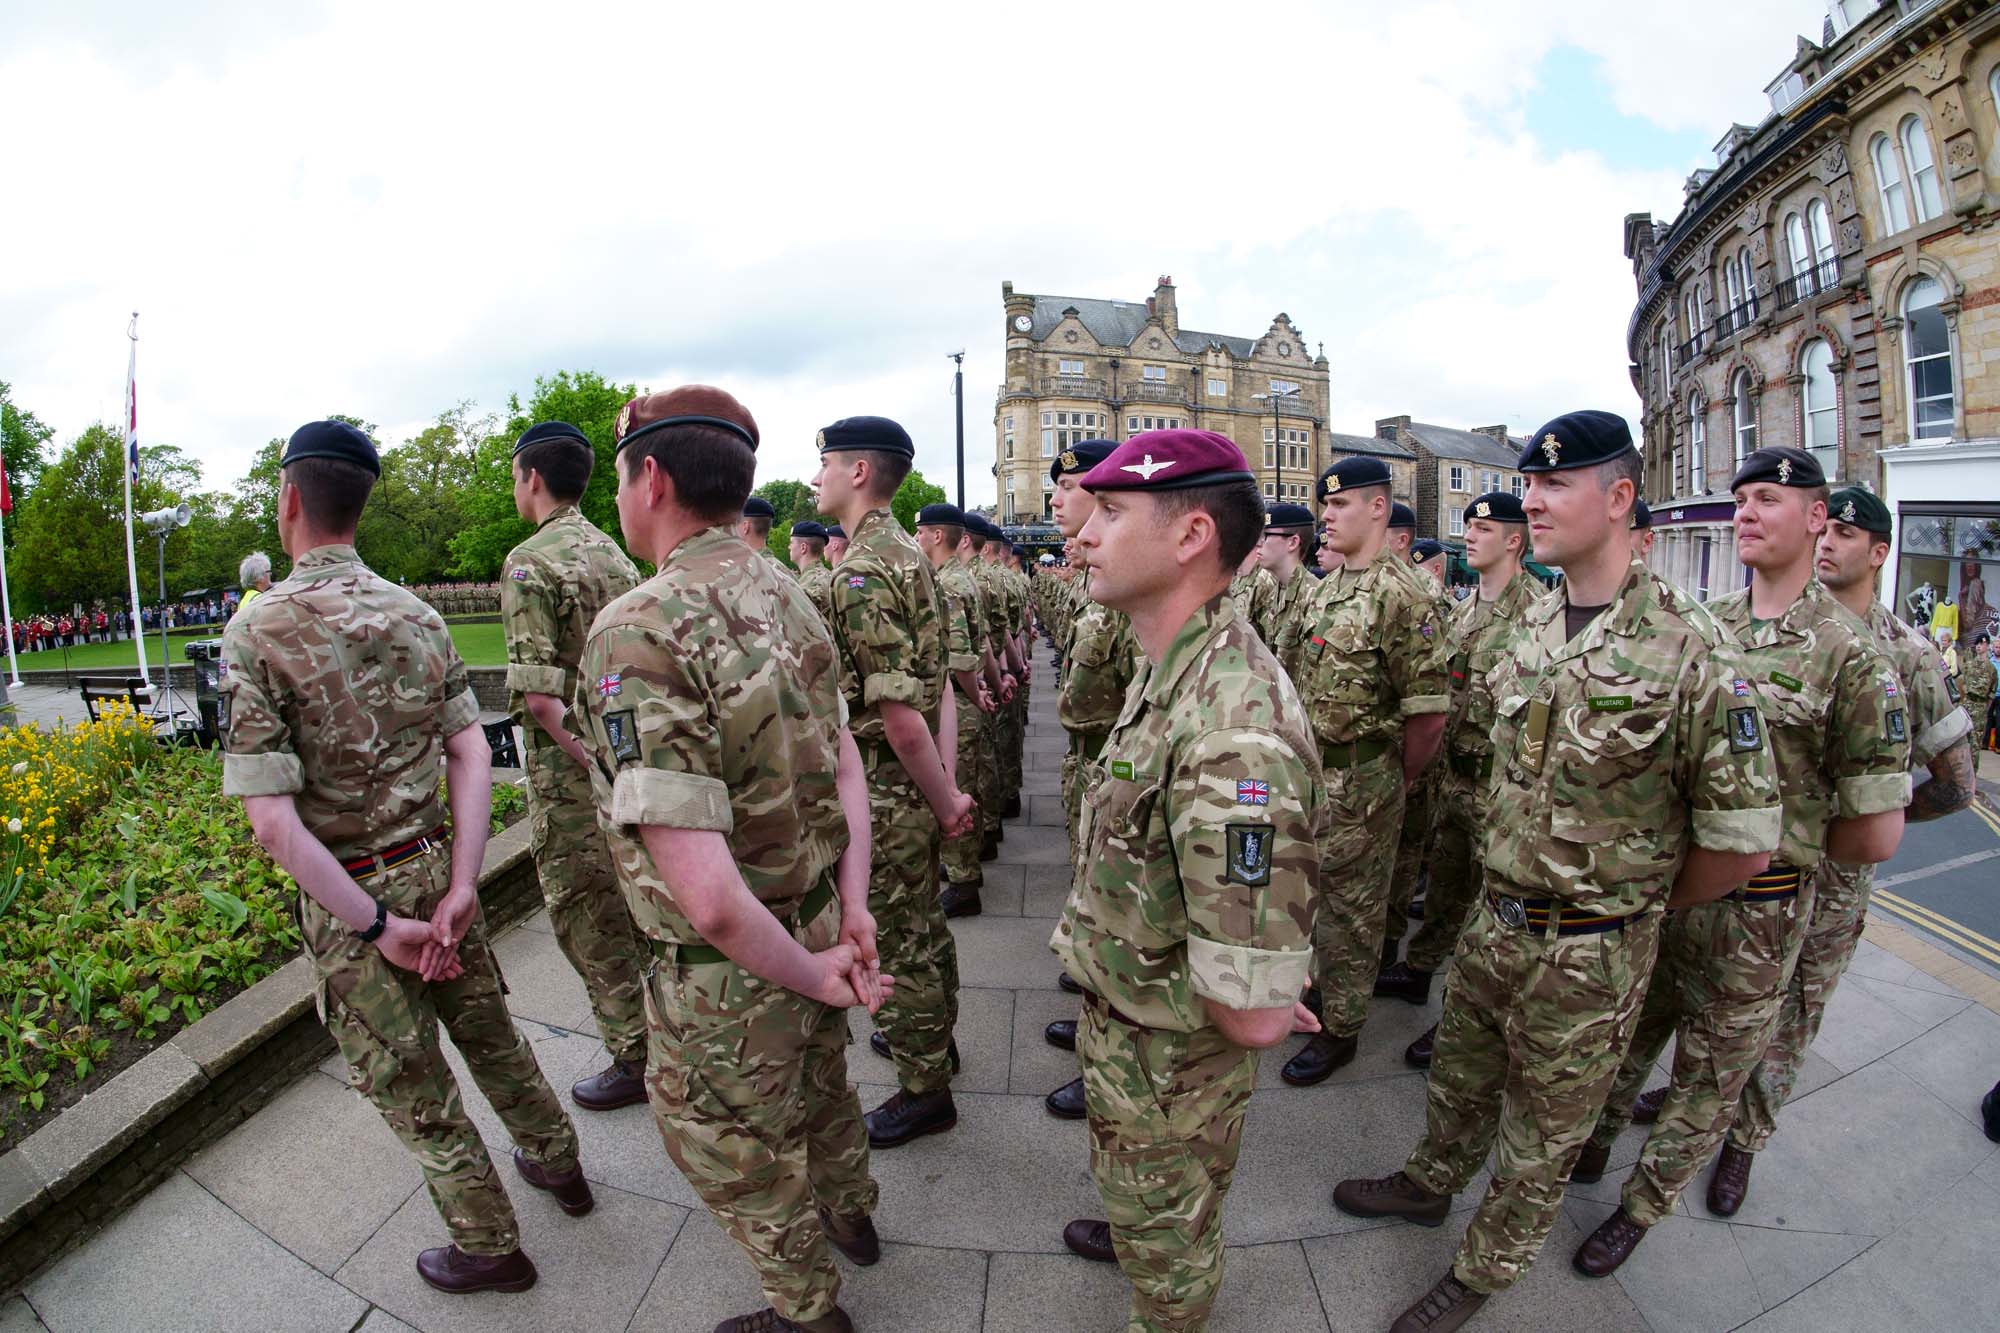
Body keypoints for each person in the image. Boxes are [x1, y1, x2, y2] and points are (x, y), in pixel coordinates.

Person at [1333, 410, 1782, 1333]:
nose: (1531, 497)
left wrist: (1631, 907)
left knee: (1542, 1137)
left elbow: (1743, 840)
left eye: (1555, 483)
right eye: (1529, 483)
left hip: (1593, 949)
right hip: (1495, 922)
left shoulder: (1691, 643)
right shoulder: (1532, 617)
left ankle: (1480, 1272)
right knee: (1459, 1078)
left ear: (1618, 499)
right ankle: (1427, 1182)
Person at [223, 420, 588, 1295]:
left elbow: (272, 822)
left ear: (290, 502)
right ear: (360, 504)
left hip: (355, 898)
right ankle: (559, 1163)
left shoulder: (259, 628)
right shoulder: (415, 613)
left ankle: (489, 1241)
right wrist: (463, 882)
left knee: (412, 1083)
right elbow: (472, 753)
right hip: (436, 866)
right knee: (491, 1033)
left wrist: (380, 925)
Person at [576, 386, 883, 1333]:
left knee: (725, 1146)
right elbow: (848, 764)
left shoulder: (639, 625)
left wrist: (812, 974)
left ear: (651, 476)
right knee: (825, 1087)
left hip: (728, 972)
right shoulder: (789, 590)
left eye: (620, 477)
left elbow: (707, 900)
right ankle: (854, 1214)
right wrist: (852, 913)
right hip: (815, 916)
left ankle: (806, 1311)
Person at [1570, 446, 1909, 1275]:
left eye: (1768, 498)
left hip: (1763, 913)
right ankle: (1593, 1143)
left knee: (1709, 1075)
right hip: (1679, 889)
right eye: (1741, 498)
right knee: (1631, 1031)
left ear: (1818, 518)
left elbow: (1874, 834)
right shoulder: (1708, 625)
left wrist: (1776, 855)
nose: (1747, 512)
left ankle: (1639, 1207)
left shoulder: (1853, 657)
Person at [1051, 427, 1324, 1331]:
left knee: (1171, 1271)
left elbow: (1248, 1011)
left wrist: (1264, 985)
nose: (1084, 531)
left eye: (1113, 511)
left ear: (1190, 535)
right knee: (1151, 1226)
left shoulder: (1228, 721)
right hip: (1141, 1036)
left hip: (1169, 1065)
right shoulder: (1176, 668)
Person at [1667, 485, 1972, 1219]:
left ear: (1879, 551)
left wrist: (1851, 825)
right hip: (1738, 865)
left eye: (1848, 531)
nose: (1831, 540)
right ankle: (1692, 1099)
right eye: (1825, 526)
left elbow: (1958, 783)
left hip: (1827, 882)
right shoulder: (1749, 623)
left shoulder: (1903, 652)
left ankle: (1743, 1140)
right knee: (1706, 993)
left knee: (1793, 1013)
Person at [813, 415, 976, 1149]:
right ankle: (936, 1046)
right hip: (916, 778)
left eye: (824, 463)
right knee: (925, 929)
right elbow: (938, 686)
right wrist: (946, 789)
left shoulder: (859, 570)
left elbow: (898, 711)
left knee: (898, 942)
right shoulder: (909, 554)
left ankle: (924, 1088)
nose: (815, 476)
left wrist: (941, 799)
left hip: (884, 782)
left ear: (856, 473)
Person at [1278, 457, 1448, 1087]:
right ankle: (1316, 997)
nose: (1327, 515)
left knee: (1354, 912)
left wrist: (1393, 782)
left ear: (1379, 508)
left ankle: (1342, 1028)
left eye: (1341, 503)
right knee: (1311, 901)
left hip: (1365, 778)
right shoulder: (1324, 590)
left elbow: (1427, 715)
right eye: (1326, 504)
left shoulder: (1405, 594)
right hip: (1313, 774)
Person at [499, 420, 652, 1111]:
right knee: (633, 907)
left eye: (513, 474)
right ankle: (662, 1035)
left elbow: (538, 696)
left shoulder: (530, 561)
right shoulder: (616, 557)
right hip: (622, 761)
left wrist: (594, 765)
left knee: (585, 916)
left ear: (532, 477)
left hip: (572, 779)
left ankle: (633, 1053)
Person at [1389, 492, 1539, 1068]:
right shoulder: (1464, 606)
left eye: (1483, 528)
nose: (1469, 535)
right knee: (1448, 888)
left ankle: (1463, 1017)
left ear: (1513, 541)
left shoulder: (1534, 613)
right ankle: (1421, 970)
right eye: (1469, 526)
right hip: (1452, 777)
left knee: (1490, 915)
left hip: (1497, 786)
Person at [1041, 439, 1141, 1123]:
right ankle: (1095, 1038)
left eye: (1073, 487)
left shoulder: (1134, 595)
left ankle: (1114, 1068)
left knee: (1121, 921)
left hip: (1122, 774)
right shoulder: (1095, 586)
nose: (1057, 496)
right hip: (1094, 762)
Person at [913, 503, 996, 916]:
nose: (917, 540)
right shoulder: (960, 578)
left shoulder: (947, 584)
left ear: (937, 536)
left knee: (957, 784)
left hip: (958, 703)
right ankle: (970, 867)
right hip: (965, 699)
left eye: (922, 533)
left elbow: (961, 658)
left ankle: (963, 880)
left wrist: (975, 691)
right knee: (970, 782)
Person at [1254, 502, 1319, 658]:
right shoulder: (1271, 592)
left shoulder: (1315, 597)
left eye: (1266, 535)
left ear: (1293, 542)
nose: (1259, 543)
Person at [1965, 630, 1996, 750]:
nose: (1978, 646)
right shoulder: (1969, 664)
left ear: (1987, 645)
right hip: (1967, 703)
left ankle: (1973, 769)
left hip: (1980, 706)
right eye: (1977, 644)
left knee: (1975, 742)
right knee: (1963, 741)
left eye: (1981, 644)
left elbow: (1992, 692)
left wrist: (1984, 708)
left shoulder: (1991, 669)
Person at [793, 520, 834, 610]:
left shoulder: (815, 581)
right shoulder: (817, 575)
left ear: (803, 547)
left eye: (791, 543)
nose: (789, 547)